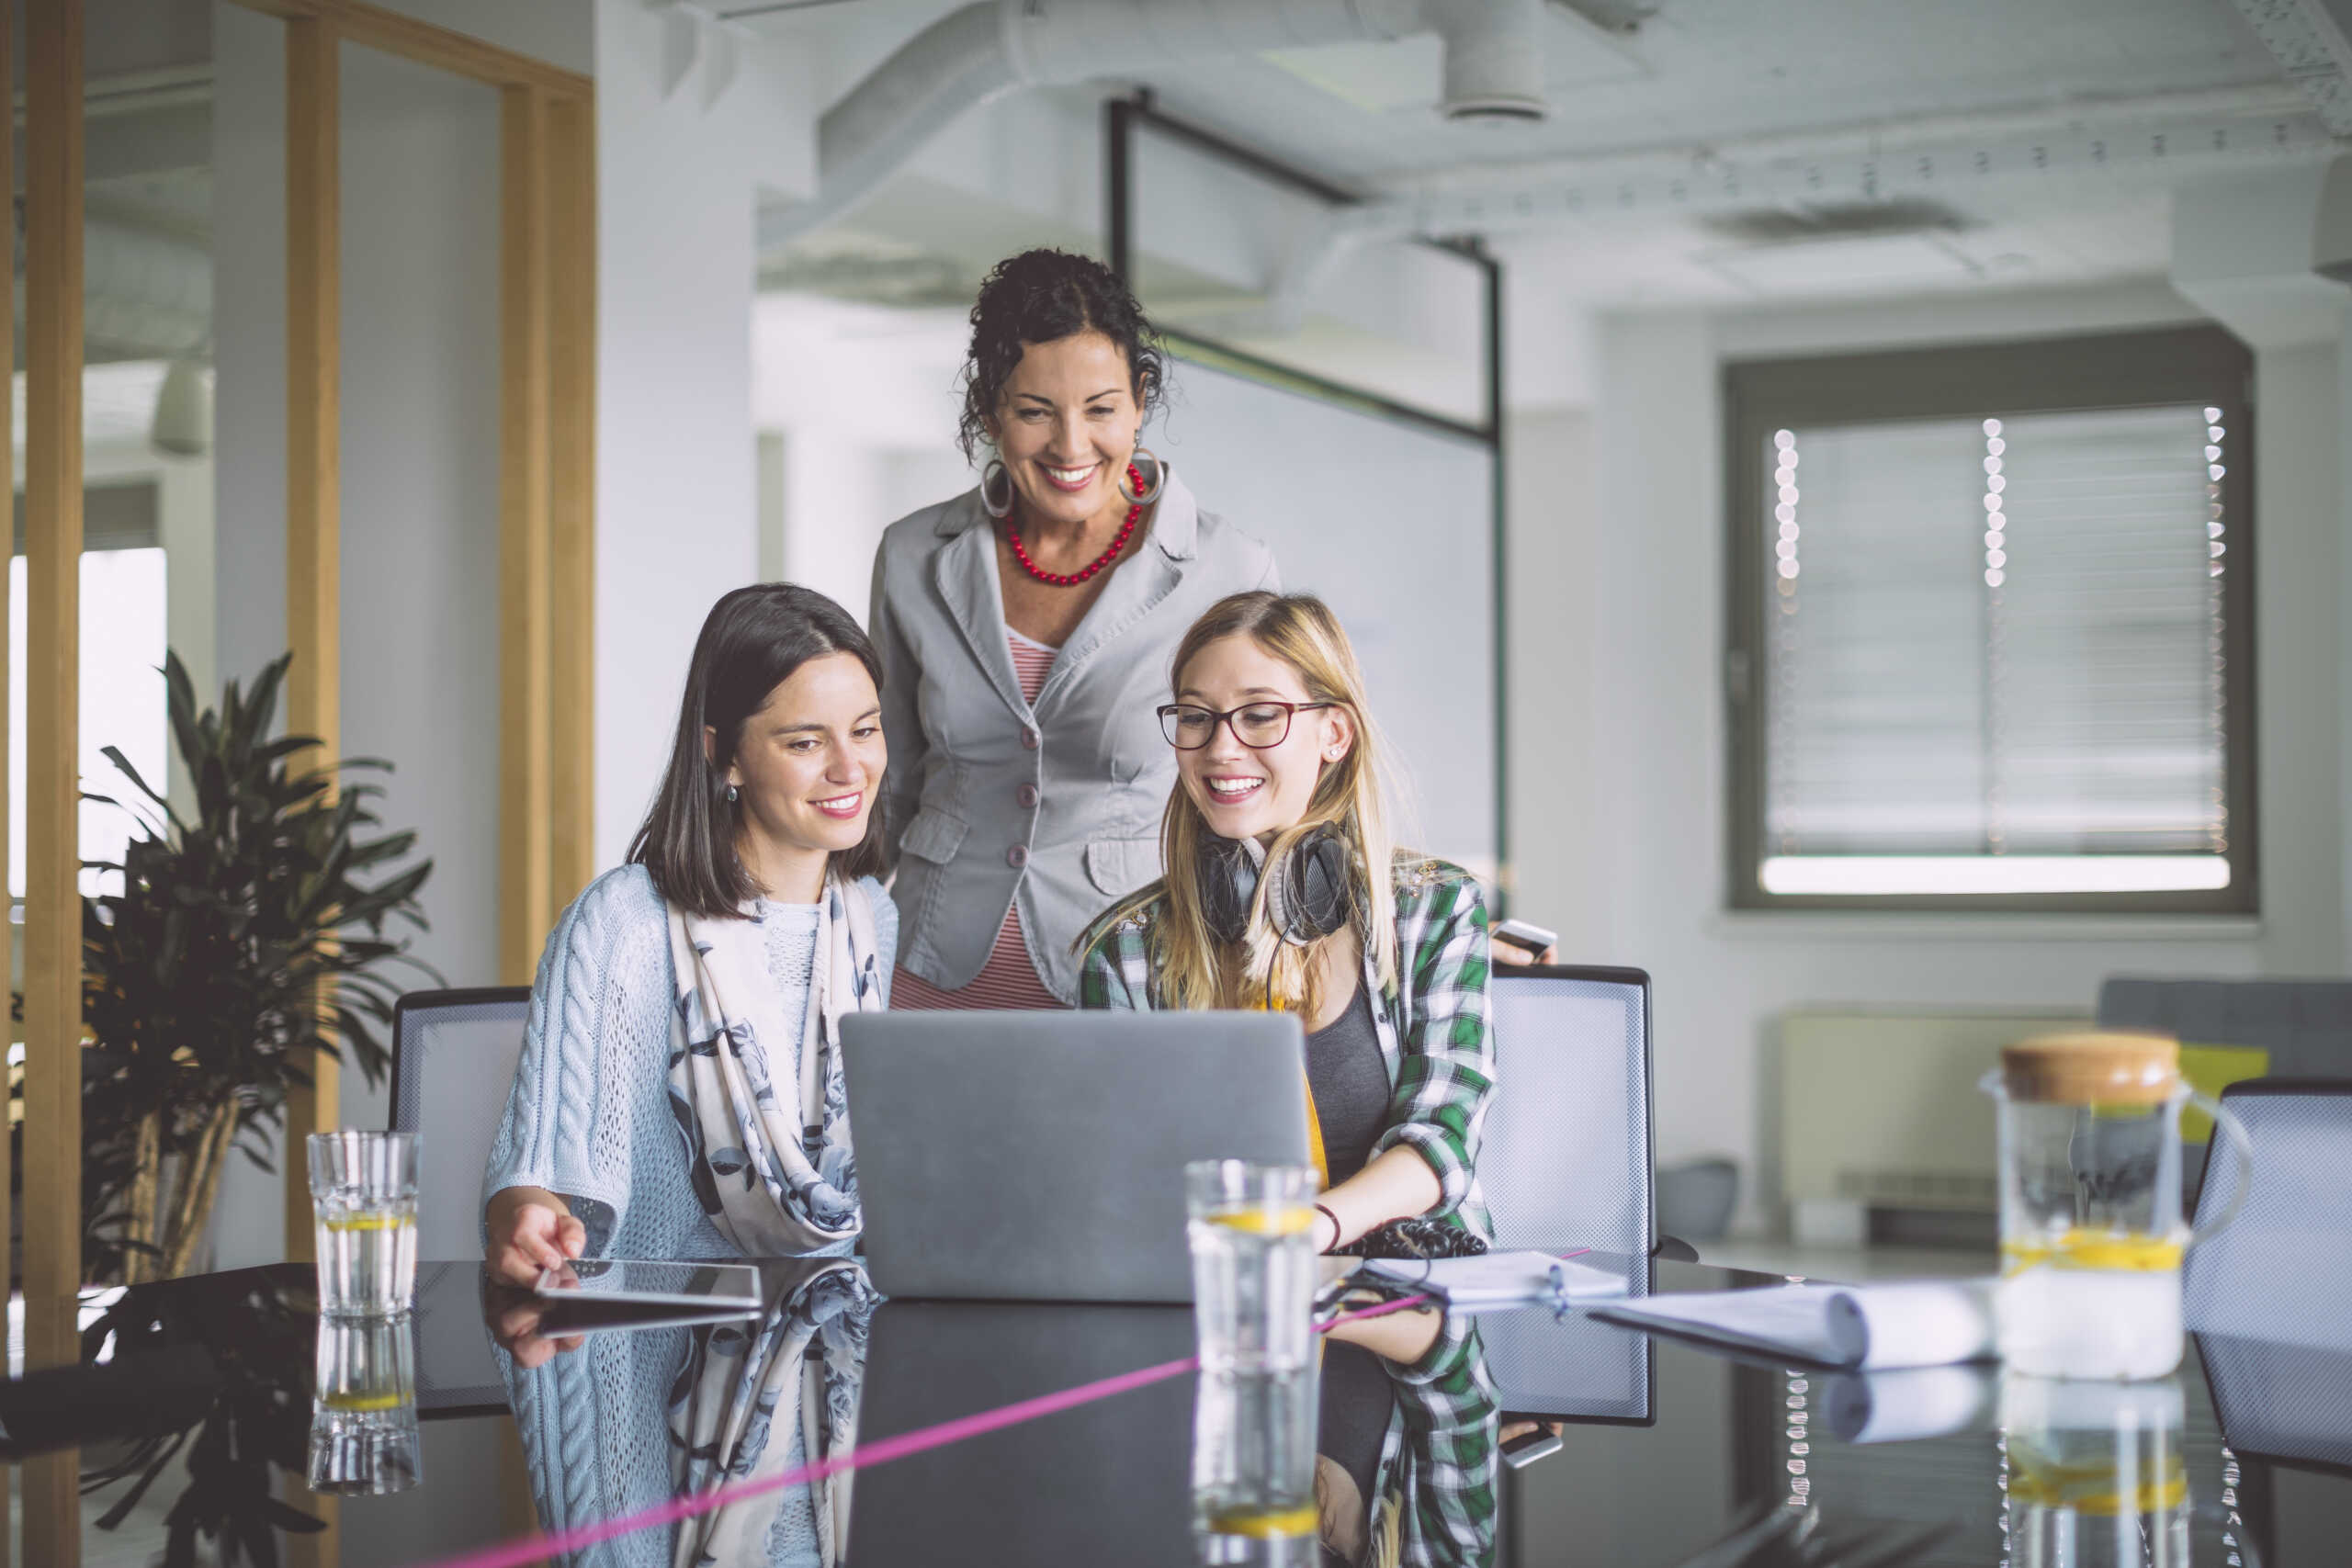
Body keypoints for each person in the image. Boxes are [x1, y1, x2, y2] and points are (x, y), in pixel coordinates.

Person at [869, 247, 1278, 1010]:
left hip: (1132, 970)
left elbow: (1281, 794)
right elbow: (884, 787)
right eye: (1034, 412)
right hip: (929, 967)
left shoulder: (1228, 568)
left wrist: (1384, 923)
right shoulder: (912, 556)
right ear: (991, 411)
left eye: (1100, 408)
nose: (1070, 446)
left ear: (1140, 400)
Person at [481, 583, 898, 1287]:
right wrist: (528, 1217)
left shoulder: (873, 920)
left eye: (865, 729)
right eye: (805, 741)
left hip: (836, 1343)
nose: (848, 767)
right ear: (724, 754)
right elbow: (543, 1178)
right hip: (656, 1345)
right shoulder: (625, 923)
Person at [1078, 592, 1495, 1252]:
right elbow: (1125, 1173)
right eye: (1196, 716)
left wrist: (1308, 1233)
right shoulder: (1124, 953)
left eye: (1261, 715)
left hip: (1407, 1299)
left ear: (1335, 731)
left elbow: (1443, 1133)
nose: (1221, 747)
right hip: (1216, 1296)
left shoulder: (1435, 911)